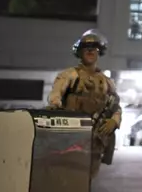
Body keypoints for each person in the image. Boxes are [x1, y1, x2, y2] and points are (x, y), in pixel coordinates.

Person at [47, 29, 122, 178]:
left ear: (99, 52)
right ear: (79, 52)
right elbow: (55, 97)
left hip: (95, 142)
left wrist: (114, 121)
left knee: (87, 179)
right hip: (71, 139)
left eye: (94, 48)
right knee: (67, 178)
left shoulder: (107, 82)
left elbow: (116, 107)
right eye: (86, 48)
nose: (90, 51)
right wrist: (55, 109)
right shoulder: (70, 75)